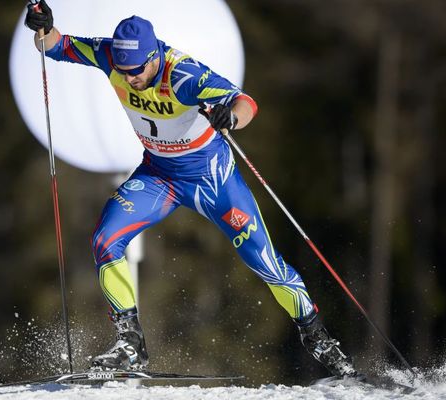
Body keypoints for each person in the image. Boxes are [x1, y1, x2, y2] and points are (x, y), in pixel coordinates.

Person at [24, 1, 358, 378]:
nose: (129, 78)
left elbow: (245, 103)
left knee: (265, 263)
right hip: (158, 176)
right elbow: (52, 45)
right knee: (105, 239)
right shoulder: (111, 56)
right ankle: (130, 344)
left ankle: (319, 339)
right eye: (122, 70)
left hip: (211, 179)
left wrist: (230, 116)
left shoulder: (183, 74)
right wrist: (42, 25)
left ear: (154, 58)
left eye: (136, 71)